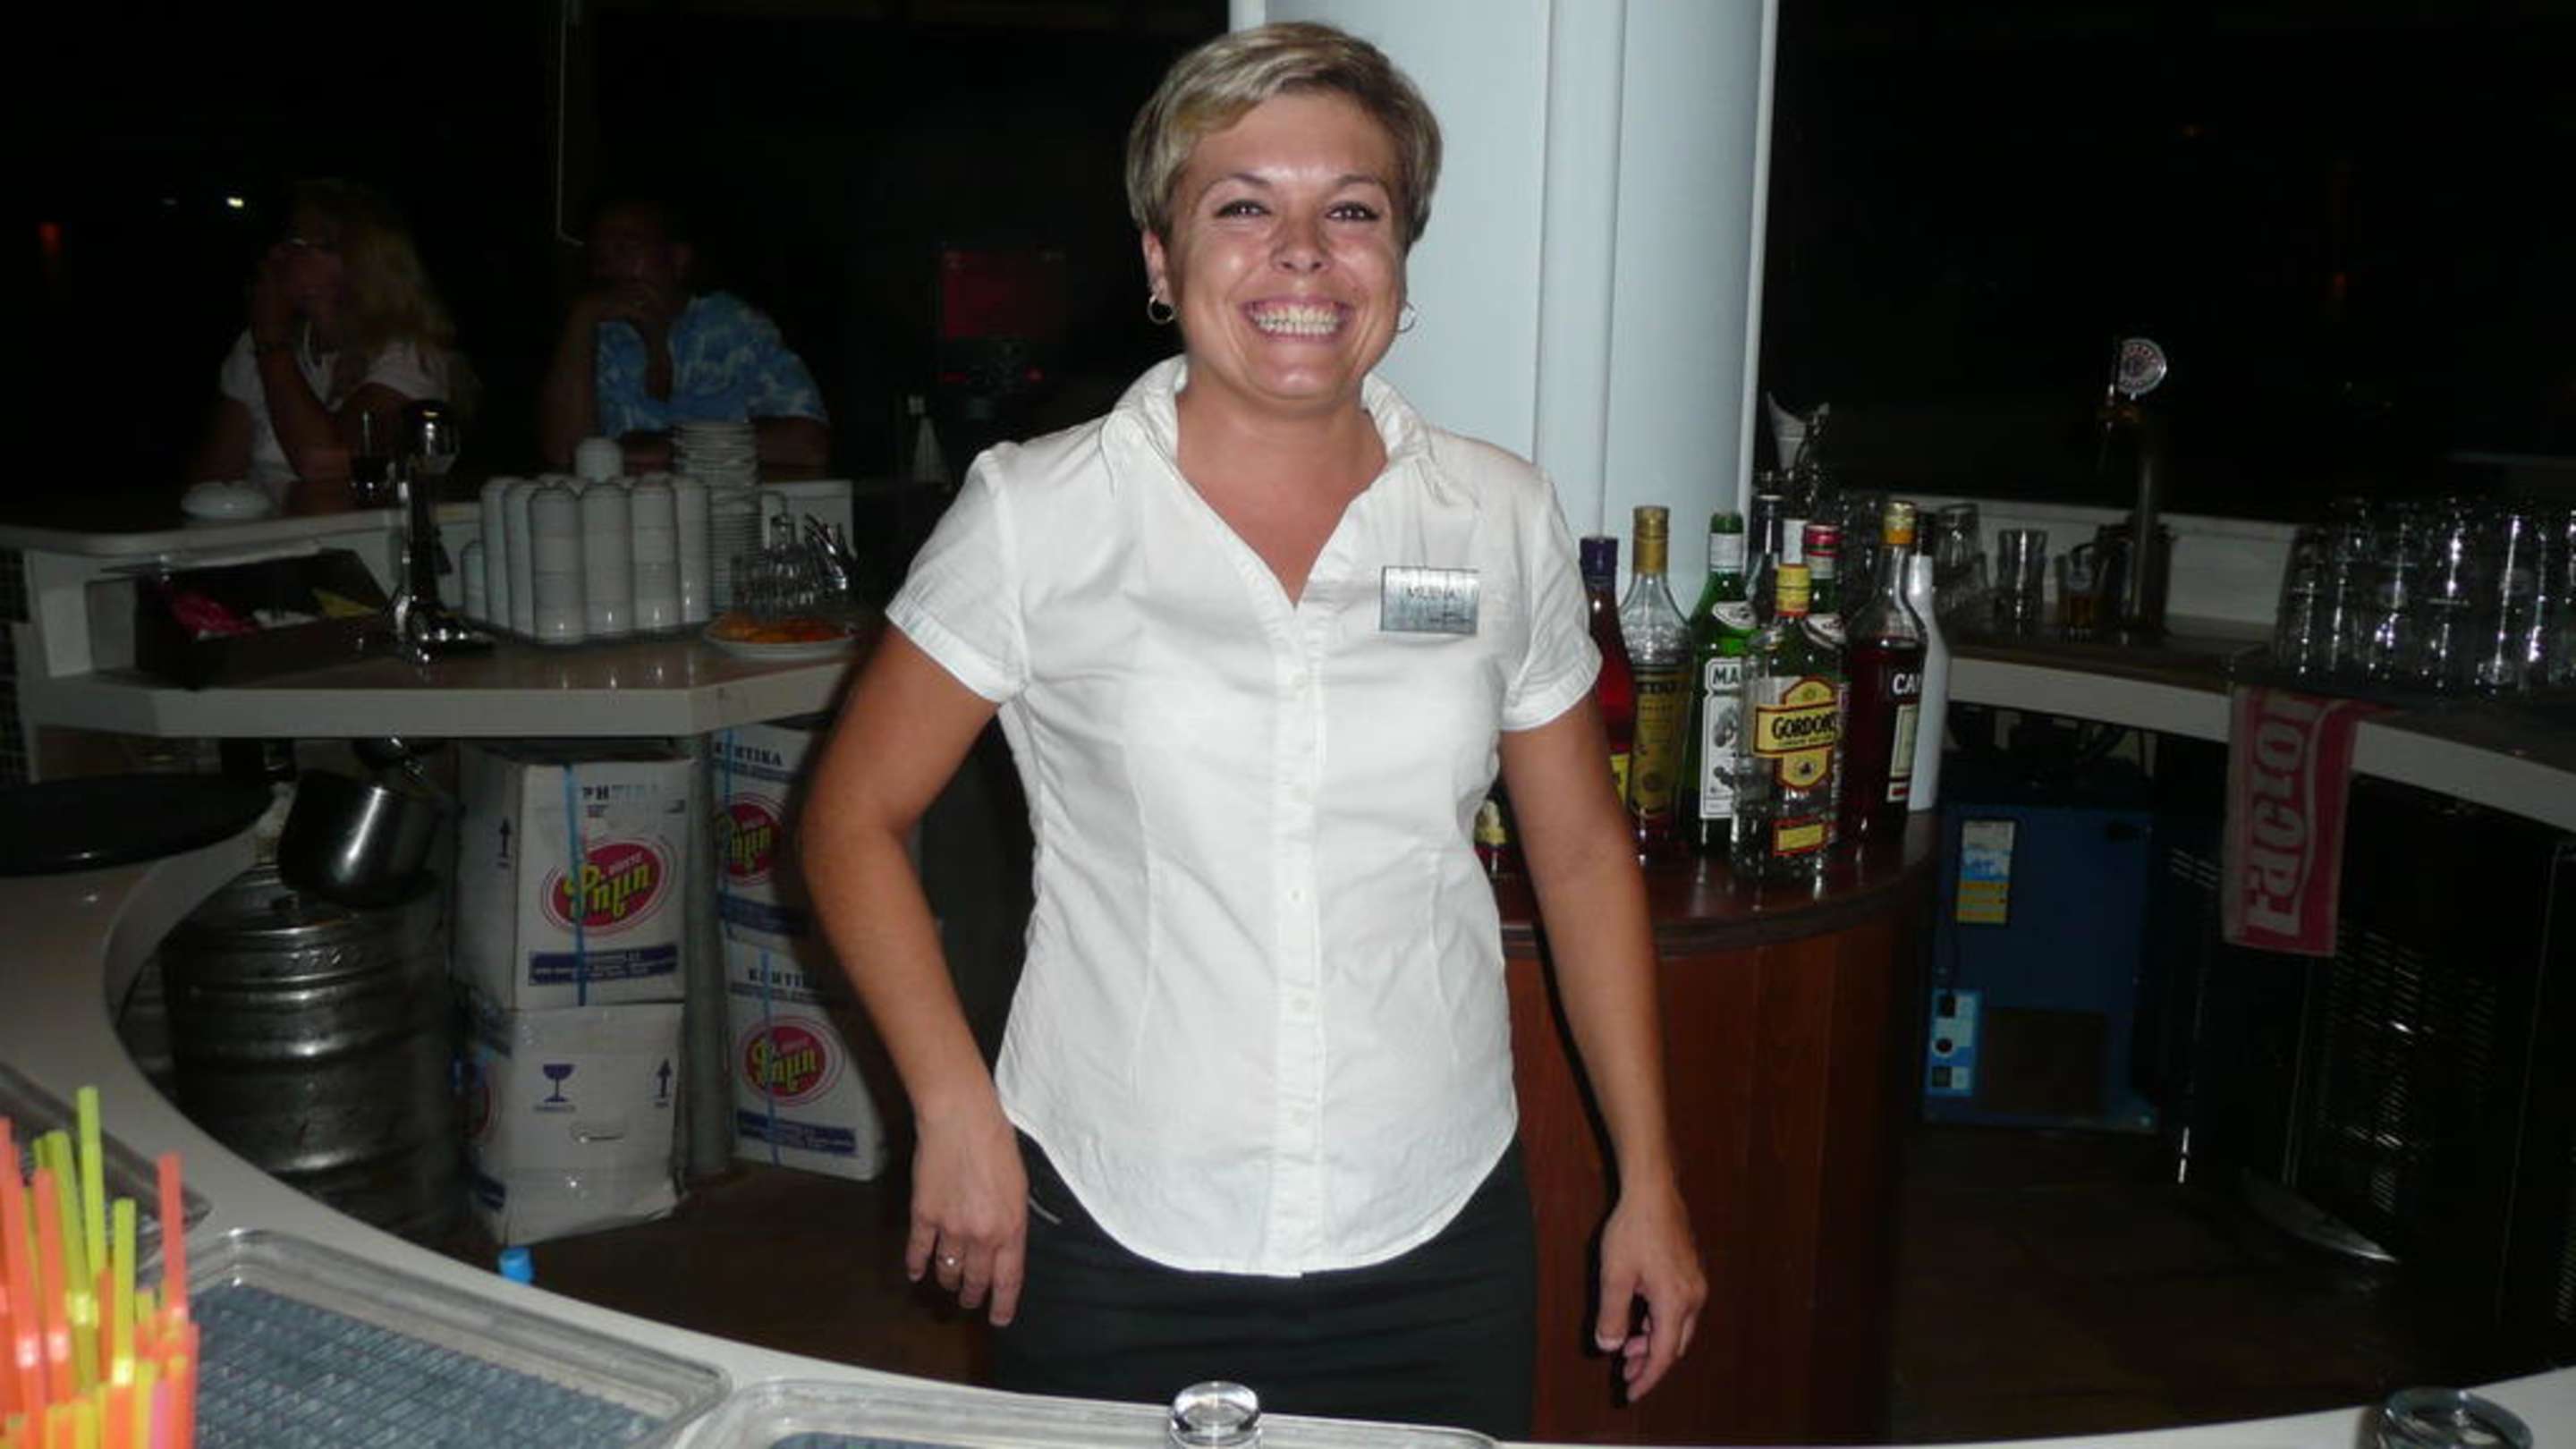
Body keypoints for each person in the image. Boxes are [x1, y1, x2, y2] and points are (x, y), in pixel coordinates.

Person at [800, 22, 1704, 1438]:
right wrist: (954, 1108)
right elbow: (852, 820)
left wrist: (1649, 1177)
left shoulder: (1498, 515)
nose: (1301, 254)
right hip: (1110, 1216)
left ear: (1400, 258)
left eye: (1352, 211)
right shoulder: (1037, 513)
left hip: (1435, 1224)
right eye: (1241, 208)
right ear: (1161, 262)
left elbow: (1583, 858)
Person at [190, 180, 466, 514]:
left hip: (362, 540)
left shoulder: (409, 355)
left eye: (296, 243)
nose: (277, 255)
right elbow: (213, 483)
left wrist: (272, 342)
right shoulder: (256, 345)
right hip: (265, 537)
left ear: (353, 261)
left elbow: (321, 459)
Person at [538, 198, 830, 477]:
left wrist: (670, 447)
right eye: (599, 257)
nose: (609, 268)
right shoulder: (596, 338)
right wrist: (581, 319)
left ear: (678, 259)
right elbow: (565, 454)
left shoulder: (734, 327)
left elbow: (810, 444)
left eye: (625, 249)